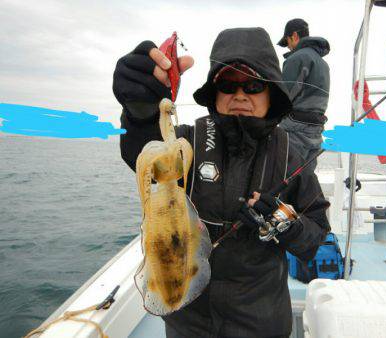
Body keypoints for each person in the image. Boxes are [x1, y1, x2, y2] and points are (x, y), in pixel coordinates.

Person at [113, 27, 330, 338]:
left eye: (254, 85)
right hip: (188, 324)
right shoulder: (186, 142)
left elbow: (317, 237)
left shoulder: (289, 157)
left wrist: (283, 220)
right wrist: (140, 109)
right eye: (228, 84)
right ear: (215, 93)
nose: (240, 94)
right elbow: (143, 151)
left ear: (271, 93)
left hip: (261, 324)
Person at [277, 18, 330, 171]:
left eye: (287, 42)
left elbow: (284, 97)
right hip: (316, 130)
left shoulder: (297, 58)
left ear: (294, 36)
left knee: (285, 176)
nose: (288, 47)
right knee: (306, 180)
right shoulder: (322, 63)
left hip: (295, 130)